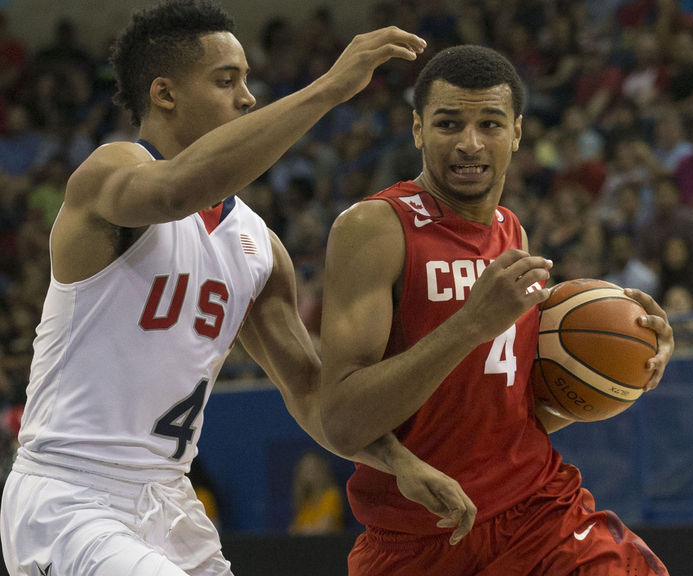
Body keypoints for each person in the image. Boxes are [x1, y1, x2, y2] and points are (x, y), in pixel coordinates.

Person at [0, 2, 476, 575]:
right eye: (227, 81)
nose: (247, 97)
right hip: (70, 494)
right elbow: (177, 190)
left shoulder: (258, 246)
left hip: (170, 499)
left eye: (247, 81)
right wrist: (328, 88)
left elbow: (307, 392)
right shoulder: (110, 172)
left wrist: (397, 461)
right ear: (165, 94)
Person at [320, 45, 675, 576]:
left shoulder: (513, 233)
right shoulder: (374, 228)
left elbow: (514, 414)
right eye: (448, 123)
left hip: (539, 513)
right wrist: (469, 325)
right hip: (418, 539)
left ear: (517, 133)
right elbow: (344, 422)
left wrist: (628, 369)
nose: (469, 143)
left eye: (490, 123)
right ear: (417, 129)